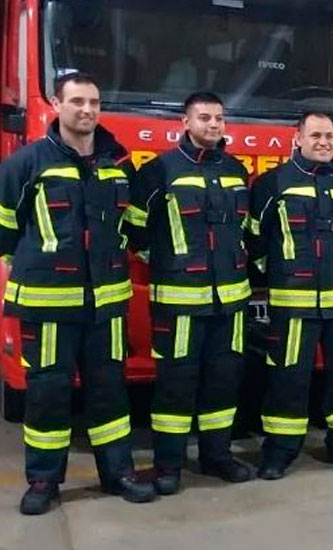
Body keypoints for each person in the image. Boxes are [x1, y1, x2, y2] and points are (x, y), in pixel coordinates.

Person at [0, 73, 155, 514]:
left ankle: (118, 473)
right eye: (77, 101)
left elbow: (134, 225)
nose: (87, 110)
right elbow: (5, 232)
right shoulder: (25, 164)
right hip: (49, 304)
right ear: (56, 104)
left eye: (94, 102)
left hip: (106, 304)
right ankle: (43, 480)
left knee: (110, 391)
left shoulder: (118, 162)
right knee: (47, 394)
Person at [130, 92, 253, 494]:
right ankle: (168, 465)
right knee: (175, 386)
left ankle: (217, 456)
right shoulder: (159, 171)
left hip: (230, 303)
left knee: (223, 381)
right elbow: (135, 229)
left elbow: (247, 229)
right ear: (185, 122)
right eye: (204, 118)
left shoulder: (236, 170)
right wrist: (168, 262)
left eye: (219, 118)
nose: (213, 125)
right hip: (179, 303)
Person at [247, 111, 333, 479]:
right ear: (298, 138)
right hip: (293, 303)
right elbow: (255, 239)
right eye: (316, 135)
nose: (324, 142)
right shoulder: (272, 184)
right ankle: (280, 451)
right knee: (288, 378)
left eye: (329, 136)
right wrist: (280, 275)